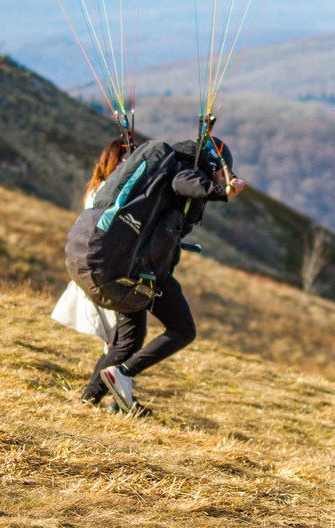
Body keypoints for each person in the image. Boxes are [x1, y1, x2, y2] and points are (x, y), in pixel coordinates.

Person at [79, 136, 248, 415]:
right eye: (221, 170)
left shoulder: (165, 166)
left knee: (129, 340)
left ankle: (90, 399)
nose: (224, 177)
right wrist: (221, 190)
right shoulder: (182, 169)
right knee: (182, 330)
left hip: (124, 261)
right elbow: (183, 183)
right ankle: (123, 375)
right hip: (144, 269)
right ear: (210, 163)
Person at [51, 139, 127, 347]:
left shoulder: (100, 186)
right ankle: (111, 371)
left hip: (98, 257)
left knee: (114, 323)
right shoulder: (105, 190)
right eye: (122, 162)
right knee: (114, 323)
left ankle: (111, 368)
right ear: (113, 162)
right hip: (100, 259)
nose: (125, 167)